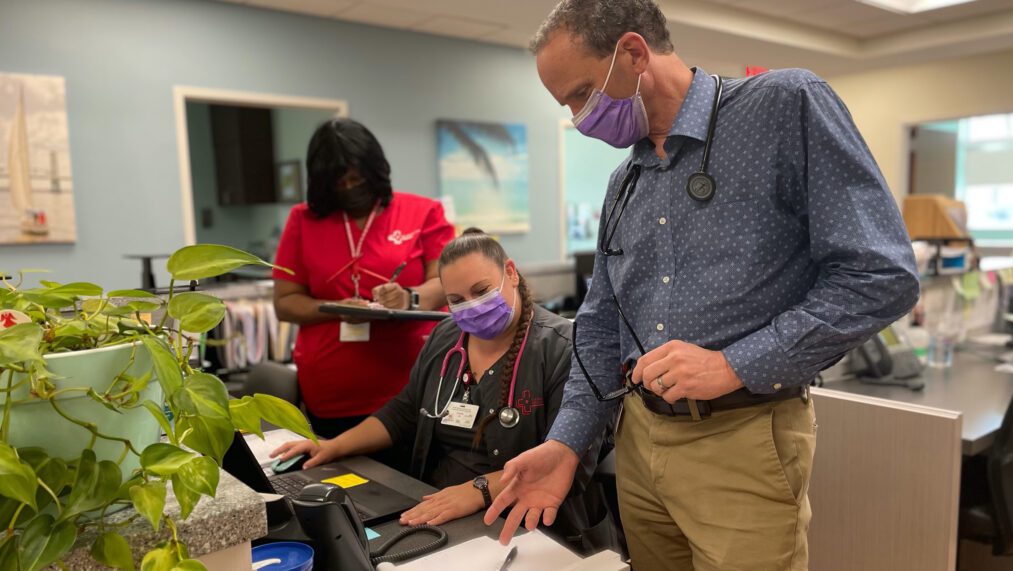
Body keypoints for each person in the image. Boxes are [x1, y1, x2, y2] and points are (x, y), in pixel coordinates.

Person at [484, 2, 921, 570]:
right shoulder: (626, 180)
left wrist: (733, 364)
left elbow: (882, 274)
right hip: (639, 442)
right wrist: (568, 441)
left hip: (743, 436)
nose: (577, 117)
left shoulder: (783, 106)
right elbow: (598, 325)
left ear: (634, 53)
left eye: (581, 93)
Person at [272, 229, 617, 553]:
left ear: (510, 273)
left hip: (530, 521)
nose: (472, 307)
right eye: (457, 299)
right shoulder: (446, 338)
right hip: (436, 505)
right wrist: (332, 446)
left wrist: (475, 491)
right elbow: (404, 412)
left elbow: (559, 458)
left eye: (481, 291)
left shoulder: (563, 348)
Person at [272, 118, 454, 440]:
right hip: (331, 392)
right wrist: (333, 308)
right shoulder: (303, 220)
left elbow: (445, 283)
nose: (348, 189)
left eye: (356, 180)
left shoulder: (423, 212)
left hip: (411, 385)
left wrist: (408, 298)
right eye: (337, 184)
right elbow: (286, 303)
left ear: (374, 170)